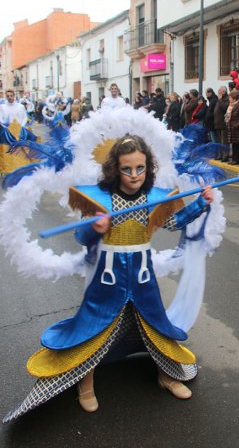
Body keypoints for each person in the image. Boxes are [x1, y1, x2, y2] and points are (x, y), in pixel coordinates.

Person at [3, 135, 215, 420]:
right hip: (108, 276)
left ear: (148, 167)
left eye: (140, 168)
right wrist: (96, 228)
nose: (134, 176)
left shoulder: (155, 197)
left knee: (155, 324)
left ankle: (167, 375)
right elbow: (81, 235)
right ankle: (86, 383)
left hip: (142, 275)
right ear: (116, 169)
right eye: (127, 169)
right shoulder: (99, 198)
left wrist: (201, 203)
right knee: (94, 327)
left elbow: (174, 222)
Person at [225, 89, 239, 165]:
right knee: (234, 144)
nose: (229, 99)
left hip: (237, 129)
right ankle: (234, 159)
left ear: (234, 98)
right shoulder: (230, 105)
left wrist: (236, 125)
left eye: (230, 97)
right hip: (231, 128)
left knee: (237, 145)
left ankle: (236, 160)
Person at [214, 86, 229, 161]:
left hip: (223, 124)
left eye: (220, 90)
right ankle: (220, 155)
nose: (218, 92)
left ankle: (225, 156)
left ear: (224, 91)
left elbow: (224, 108)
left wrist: (220, 100)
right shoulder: (220, 99)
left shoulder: (226, 99)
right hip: (218, 123)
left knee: (224, 141)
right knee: (219, 141)